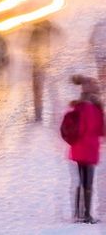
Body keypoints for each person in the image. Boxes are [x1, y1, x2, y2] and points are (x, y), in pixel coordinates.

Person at [63, 74, 105, 224]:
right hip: (89, 149)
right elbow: (100, 130)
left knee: (80, 181)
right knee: (88, 182)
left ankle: (77, 214)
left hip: (77, 149)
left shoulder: (78, 107)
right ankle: (86, 215)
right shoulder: (95, 109)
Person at [28, 18, 56, 121]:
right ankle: (39, 114)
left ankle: (38, 115)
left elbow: (30, 48)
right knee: (40, 90)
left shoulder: (36, 32)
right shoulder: (46, 31)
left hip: (37, 65)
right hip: (42, 64)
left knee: (37, 91)